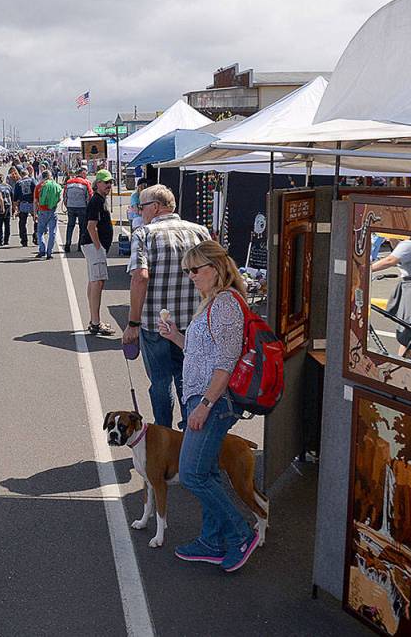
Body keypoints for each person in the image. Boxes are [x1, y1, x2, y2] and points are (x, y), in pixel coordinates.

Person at [158, 240, 260, 572]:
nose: (190, 276)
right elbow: (204, 355)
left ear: (215, 269)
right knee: (207, 472)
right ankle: (213, 540)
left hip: (213, 402)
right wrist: (175, 336)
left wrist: (203, 405)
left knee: (191, 474)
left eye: (195, 270)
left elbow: (225, 364)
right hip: (204, 399)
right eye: (187, 270)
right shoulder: (213, 302)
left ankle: (241, 534)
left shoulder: (226, 304)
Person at [122, 184, 210, 429]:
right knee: (188, 378)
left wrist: (132, 323)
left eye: (142, 207)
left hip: (155, 323)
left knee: (160, 381)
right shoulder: (200, 231)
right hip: (193, 321)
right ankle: (188, 431)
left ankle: (163, 432)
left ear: (157, 207)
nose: (140, 212)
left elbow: (140, 276)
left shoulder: (145, 234)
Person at [372, 238, 411, 358]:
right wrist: (393, 240)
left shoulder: (410, 244)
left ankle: (404, 367)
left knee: (407, 333)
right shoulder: (409, 243)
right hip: (410, 285)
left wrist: (364, 269)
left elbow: (389, 260)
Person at [82, 170, 115, 335]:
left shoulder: (100, 200)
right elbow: (91, 226)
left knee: (94, 281)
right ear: (98, 184)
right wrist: (98, 247)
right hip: (94, 246)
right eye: (106, 182)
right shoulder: (96, 200)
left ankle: (94, 320)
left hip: (93, 246)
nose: (109, 185)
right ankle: (95, 322)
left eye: (110, 182)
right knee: (98, 282)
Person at [63, 166, 92, 253]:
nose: (86, 174)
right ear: (81, 173)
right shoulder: (86, 183)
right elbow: (90, 196)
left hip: (71, 206)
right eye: (85, 173)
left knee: (70, 226)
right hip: (82, 207)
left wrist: (67, 206)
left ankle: (67, 245)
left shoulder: (69, 182)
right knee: (82, 227)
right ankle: (80, 245)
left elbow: (64, 196)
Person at [35, 170, 62, 260]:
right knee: (52, 232)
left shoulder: (39, 186)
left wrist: (35, 213)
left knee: (40, 232)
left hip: (42, 211)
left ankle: (42, 249)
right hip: (52, 210)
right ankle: (49, 252)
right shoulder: (55, 185)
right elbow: (59, 199)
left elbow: (35, 201)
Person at [12, 167, 37, 247]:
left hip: (23, 204)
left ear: (21, 174)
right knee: (36, 220)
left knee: (22, 223)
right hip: (32, 203)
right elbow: (37, 191)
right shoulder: (32, 181)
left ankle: (24, 240)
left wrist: (15, 208)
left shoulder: (18, 183)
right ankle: (36, 235)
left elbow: (15, 197)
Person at [0, 172, 13, 247]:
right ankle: (6, 240)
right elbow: (11, 197)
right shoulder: (8, 186)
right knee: (7, 224)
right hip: (8, 205)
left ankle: (0, 240)